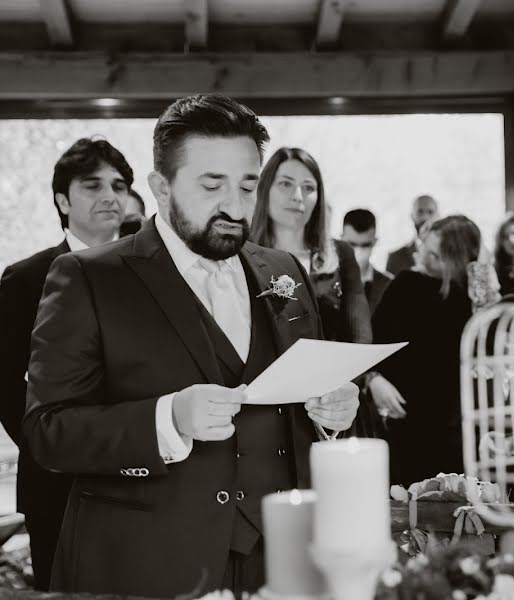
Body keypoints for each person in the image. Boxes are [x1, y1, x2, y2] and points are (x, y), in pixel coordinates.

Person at [22, 94, 359, 597]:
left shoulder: (285, 272)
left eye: (248, 184)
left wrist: (332, 411)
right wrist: (168, 419)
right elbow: (47, 431)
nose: (235, 205)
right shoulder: (88, 277)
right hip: (148, 562)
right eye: (211, 185)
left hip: (283, 560)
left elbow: (304, 395)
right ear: (161, 187)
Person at [0, 137, 132, 591]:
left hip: (146, 476)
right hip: (58, 480)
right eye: (93, 186)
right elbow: (4, 380)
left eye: (119, 185)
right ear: (62, 199)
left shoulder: (157, 276)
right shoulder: (25, 279)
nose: (110, 196)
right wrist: (52, 444)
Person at [371, 215, 481, 486]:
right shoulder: (405, 284)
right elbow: (370, 345)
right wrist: (373, 379)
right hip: (405, 423)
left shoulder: (472, 298)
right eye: (424, 247)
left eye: (435, 255)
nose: (423, 257)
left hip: (456, 428)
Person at [250, 148, 371, 344]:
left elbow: (360, 336)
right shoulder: (241, 253)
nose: (298, 196)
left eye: (308, 187)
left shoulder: (342, 253)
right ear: (265, 190)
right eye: (285, 184)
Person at [342, 208, 393, 314]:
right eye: (352, 244)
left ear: (375, 242)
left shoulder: (389, 285)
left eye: (365, 245)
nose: (358, 252)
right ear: (341, 240)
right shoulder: (324, 283)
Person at [386, 194, 438, 276]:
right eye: (420, 212)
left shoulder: (448, 256)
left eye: (430, 212)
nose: (425, 217)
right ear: (412, 216)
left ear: (438, 216)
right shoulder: (395, 258)